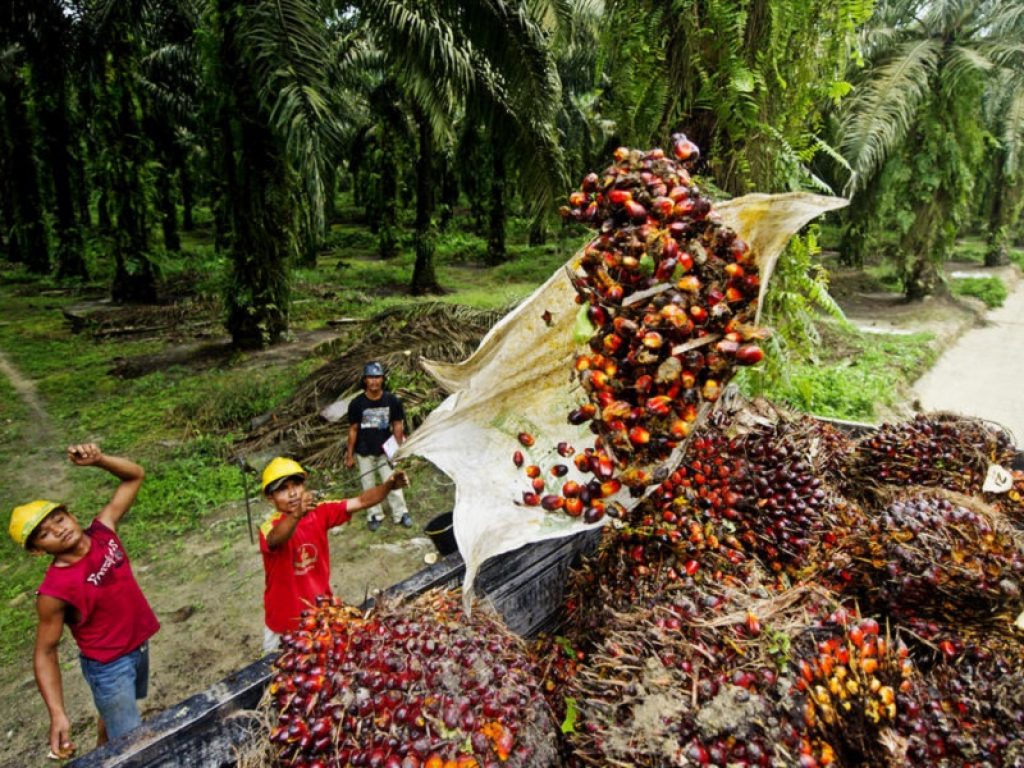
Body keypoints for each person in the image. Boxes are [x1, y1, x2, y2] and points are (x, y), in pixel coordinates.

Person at [8, 444, 158, 760]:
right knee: (132, 744)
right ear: (37, 549)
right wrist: (58, 713)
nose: (58, 531)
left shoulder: (103, 530)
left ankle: (101, 752)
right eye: (45, 534)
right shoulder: (54, 591)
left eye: (59, 519)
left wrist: (100, 460)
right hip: (109, 667)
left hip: (138, 646)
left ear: (71, 515)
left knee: (115, 719)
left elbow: (134, 477)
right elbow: (45, 651)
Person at [258, 456, 409, 652]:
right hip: (283, 622)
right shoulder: (269, 527)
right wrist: (296, 515)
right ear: (271, 498)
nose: (293, 493)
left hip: (321, 613)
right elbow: (274, 539)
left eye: (296, 484)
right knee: (279, 672)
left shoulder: (320, 512)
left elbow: (362, 501)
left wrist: (388, 486)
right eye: (283, 489)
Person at [345, 361, 412, 531]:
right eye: (370, 377)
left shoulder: (392, 400)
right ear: (365, 380)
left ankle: (401, 513)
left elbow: (397, 425)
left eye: (377, 377)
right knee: (368, 485)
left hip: (385, 450)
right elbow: (353, 429)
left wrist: (399, 449)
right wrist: (350, 455)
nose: (374, 381)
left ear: (382, 379)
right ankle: (374, 514)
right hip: (364, 451)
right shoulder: (357, 404)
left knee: (392, 481)